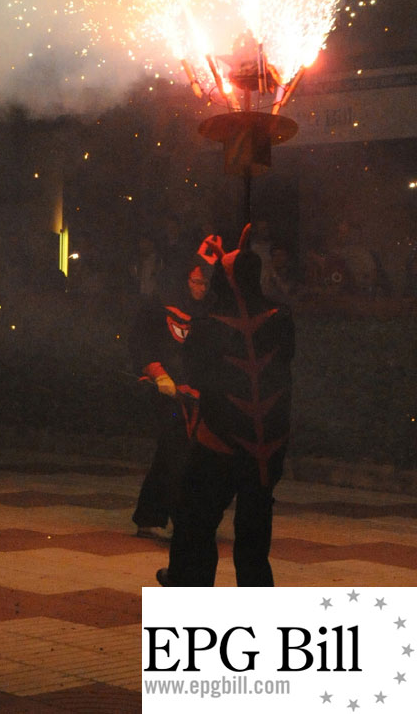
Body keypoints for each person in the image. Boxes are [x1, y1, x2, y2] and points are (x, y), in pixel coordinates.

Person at [157, 226, 294, 587]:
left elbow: (195, 374)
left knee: (194, 518)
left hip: (219, 443)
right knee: (253, 530)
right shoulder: (281, 319)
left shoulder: (208, 326)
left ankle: (189, 585)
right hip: (267, 445)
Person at [128, 250, 210, 538]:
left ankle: (149, 517)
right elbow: (141, 343)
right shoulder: (158, 305)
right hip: (164, 391)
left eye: (205, 284)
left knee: (174, 454)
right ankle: (183, 521)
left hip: (194, 395)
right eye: (196, 282)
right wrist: (159, 373)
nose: (201, 288)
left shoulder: (206, 312)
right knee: (177, 452)